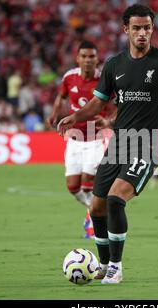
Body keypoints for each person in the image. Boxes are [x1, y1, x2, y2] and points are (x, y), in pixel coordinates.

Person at [58, 4, 158, 284]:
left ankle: (116, 268)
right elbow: (99, 102)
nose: (142, 33)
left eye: (147, 27)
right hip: (119, 144)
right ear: (126, 30)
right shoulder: (114, 65)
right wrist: (74, 116)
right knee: (96, 207)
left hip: (146, 145)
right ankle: (103, 264)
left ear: (152, 29)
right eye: (136, 27)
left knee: (114, 200)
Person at [47, 41, 115, 238]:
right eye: (84, 56)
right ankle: (94, 210)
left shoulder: (104, 78)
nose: (87, 60)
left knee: (88, 182)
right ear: (77, 59)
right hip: (74, 139)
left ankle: (95, 220)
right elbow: (61, 97)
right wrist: (54, 113)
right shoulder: (69, 77)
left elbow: (120, 103)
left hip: (96, 138)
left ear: (97, 59)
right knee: (72, 187)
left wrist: (108, 120)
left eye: (91, 56)